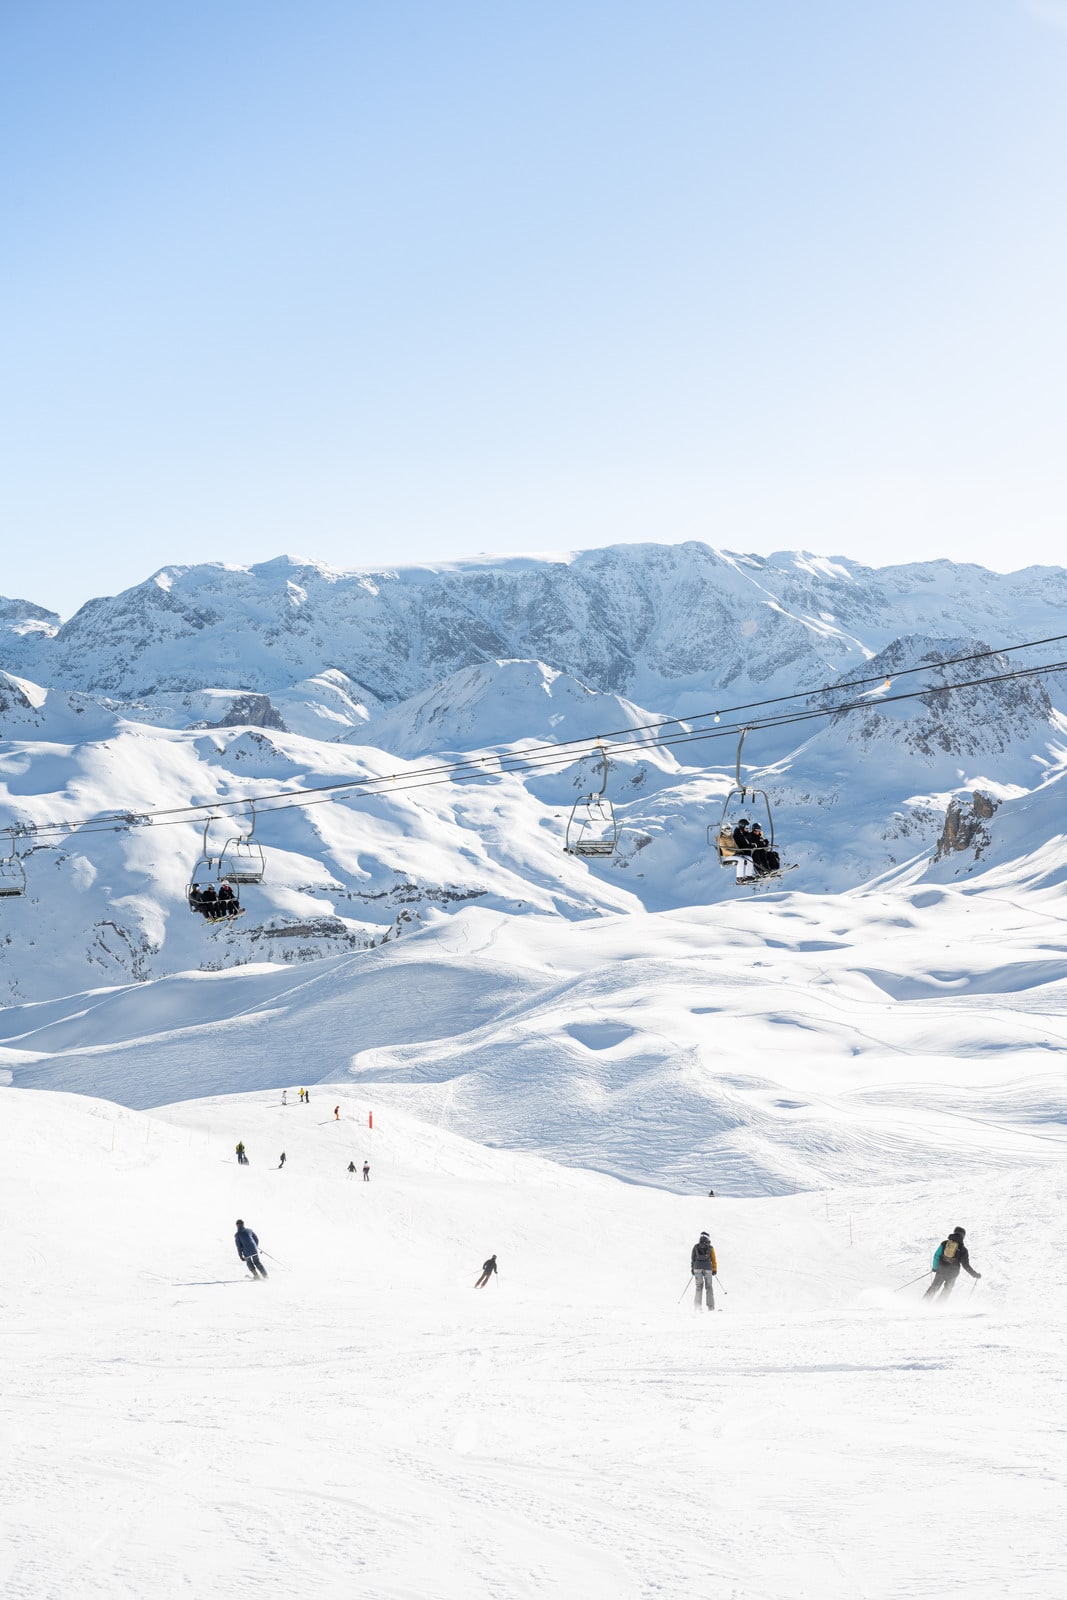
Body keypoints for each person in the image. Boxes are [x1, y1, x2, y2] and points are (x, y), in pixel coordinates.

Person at [924, 1226, 981, 1301]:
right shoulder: (963, 1250)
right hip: (953, 1273)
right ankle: (938, 1307)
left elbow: (936, 1256)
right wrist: (974, 1274)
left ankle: (923, 1303)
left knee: (934, 1287)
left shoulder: (945, 1243)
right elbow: (966, 1265)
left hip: (941, 1269)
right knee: (947, 1290)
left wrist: (935, 1268)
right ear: (963, 1236)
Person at [691, 1231, 717, 1311]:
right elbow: (713, 1259)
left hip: (697, 1268)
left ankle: (697, 1307)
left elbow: (693, 1258)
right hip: (708, 1268)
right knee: (709, 1287)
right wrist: (714, 1269)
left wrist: (692, 1268)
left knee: (699, 1287)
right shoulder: (710, 1247)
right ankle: (711, 1307)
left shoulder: (696, 1246)